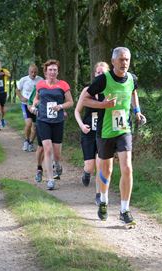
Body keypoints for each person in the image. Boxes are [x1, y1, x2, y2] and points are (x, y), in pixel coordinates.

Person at [81, 47, 146, 226]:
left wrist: (137, 111)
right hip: (105, 131)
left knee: (127, 168)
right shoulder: (103, 79)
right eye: (121, 60)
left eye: (127, 60)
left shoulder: (132, 78)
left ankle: (124, 210)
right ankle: (103, 200)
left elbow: (133, 92)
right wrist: (103, 105)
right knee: (106, 170)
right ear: (113, 61)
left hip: (124, 129)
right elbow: (85, 99)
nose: (125, 63)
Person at [29, 59, 74, 190]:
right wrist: (34, 105)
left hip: (57, 121)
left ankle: (58, 164)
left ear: (58, 71)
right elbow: (36, 98)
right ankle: (49, 179)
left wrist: (60, 106)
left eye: (55, 70)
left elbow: (70, 102)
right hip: (43, 120)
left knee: (57, 153)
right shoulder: (40, 85)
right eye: (50, 70)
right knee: (47, 149)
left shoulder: (63, 85)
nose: (52, 72)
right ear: (45, 72)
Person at [75, 62, 109, 205]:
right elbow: (77, 111)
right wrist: (82, 125)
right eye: (98, 72)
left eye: (103, 73)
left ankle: (98, 194)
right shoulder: (87, 91)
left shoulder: (108, 91)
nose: (100, 75)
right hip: (88, 132)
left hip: (103, 132)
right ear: (94, 74)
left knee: (100, 165)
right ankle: (86, 173)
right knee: (90, 166)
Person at [17, 64, 43, 152]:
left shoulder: (41, 80)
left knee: (35, 126)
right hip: (25, 104)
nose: (33, 73)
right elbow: (18, 89)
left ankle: (31, 143)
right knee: (28, 123)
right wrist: (21, 98)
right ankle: (26, 141)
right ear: (29, 72)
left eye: (35, 72)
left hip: (35, 105)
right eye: (31, 72)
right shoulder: (23, 80)